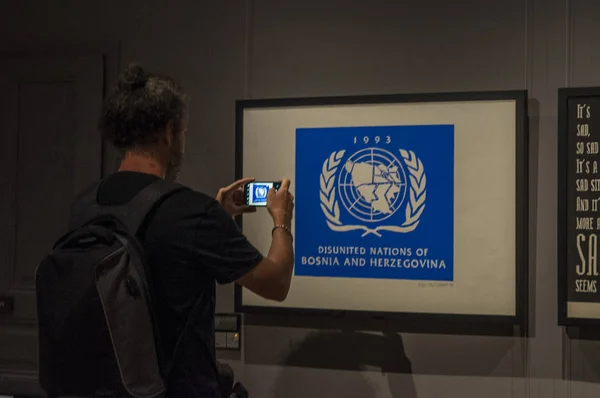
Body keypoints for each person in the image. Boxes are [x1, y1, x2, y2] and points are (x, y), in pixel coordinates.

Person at [95, 64, 295, 397]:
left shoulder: (87, 204)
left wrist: (216, 217)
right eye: (184, 132)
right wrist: (281, 221)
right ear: (170, 132)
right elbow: (275, 282)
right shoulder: (190, 212)